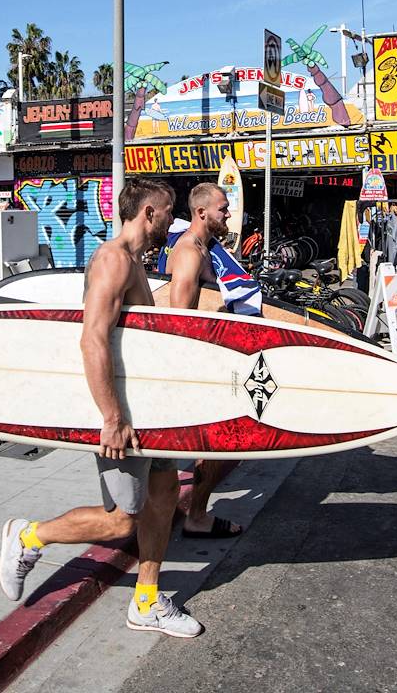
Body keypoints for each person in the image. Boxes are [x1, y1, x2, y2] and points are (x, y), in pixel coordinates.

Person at [0, 177, 203, 638]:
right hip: (121, 415)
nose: (173, 221)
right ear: (149, 212)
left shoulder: (134, 264)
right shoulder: (113, 260)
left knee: (165, 494)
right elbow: (92, 337)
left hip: (148, 412)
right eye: (169, 212)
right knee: (121, 519)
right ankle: (29, 537)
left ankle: (146, 600)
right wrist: (112, 418)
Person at [162, 183, 244, 542]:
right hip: (193, 360)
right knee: (214, 443)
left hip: (206, 356)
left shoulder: (206, 247)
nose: (227, 214)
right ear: (201, 213)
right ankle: (194, 515)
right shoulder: (190, 252)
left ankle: (196, 512)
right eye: (222, 209)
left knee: (216, 445)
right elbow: (180, 315)